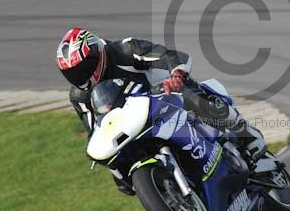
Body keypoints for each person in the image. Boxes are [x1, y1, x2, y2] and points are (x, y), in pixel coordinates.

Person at [55, 27, 265, 195]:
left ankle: (248, 135)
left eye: (84, 67)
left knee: (197, 100)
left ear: (97, 53)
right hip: (133, 122)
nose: (81, 76)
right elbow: (94, 129)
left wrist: (176, 76)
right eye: (72, 73)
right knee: (121, 180)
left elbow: (168, 56)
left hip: (165, 94)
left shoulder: (124, 50)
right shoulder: (80, 96)